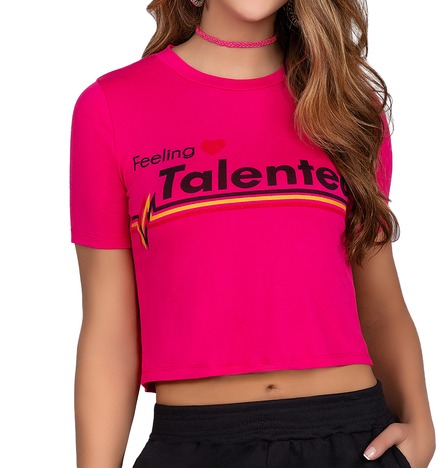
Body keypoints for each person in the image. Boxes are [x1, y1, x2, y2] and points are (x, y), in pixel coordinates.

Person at [69, 0, 435, 467]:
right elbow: (108, 331)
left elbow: (380, 302)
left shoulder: (347, 109)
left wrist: (420, 428)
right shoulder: (113, 106)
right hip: (194, 446)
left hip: (351, 440)